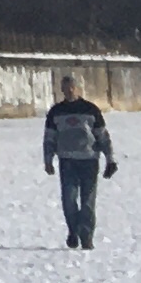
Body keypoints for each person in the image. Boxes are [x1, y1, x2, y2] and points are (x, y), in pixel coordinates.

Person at [40, 76, 116, 250]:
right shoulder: (56, 112)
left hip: (89, 161)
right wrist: (48, 160)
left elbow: (103, 136)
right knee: (69, 200)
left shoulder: (90, 109)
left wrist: (110, 159)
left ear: (77, 88)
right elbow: (49, 138)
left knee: (88, 202)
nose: (69, 91)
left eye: (71, 88)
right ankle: (73, 232)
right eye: (65, 88)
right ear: (62, 90)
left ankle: (87, 237)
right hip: (67, 162)